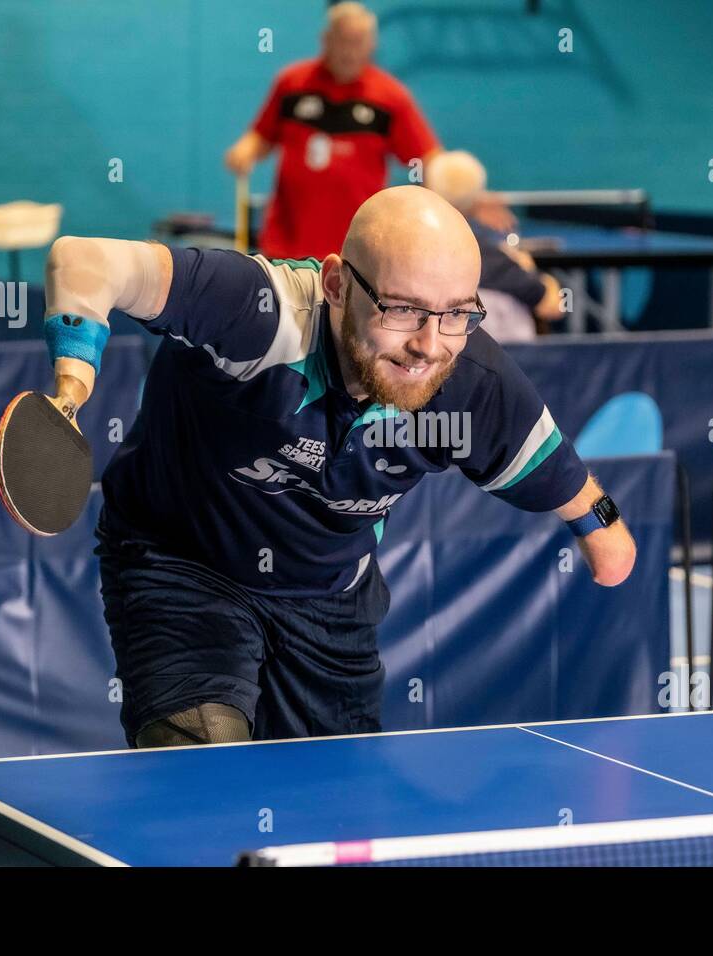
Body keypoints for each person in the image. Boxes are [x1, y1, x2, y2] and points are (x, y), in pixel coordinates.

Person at [40, 185, 636, 748]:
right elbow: (84, 260)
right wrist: (74, 381)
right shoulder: (258, 312)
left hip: (330, 600)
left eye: (457, 313)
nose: (429, 345)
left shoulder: (471, 383)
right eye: (403, 309)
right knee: (204, 774)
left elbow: (582, 501)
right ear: (336, 284)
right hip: (183, 568)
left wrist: (603, 532)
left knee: (329, 800)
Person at [224, 2, 441, 260]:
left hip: (354, 252)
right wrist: (245, 150)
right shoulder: (292, 83)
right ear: (326, 40)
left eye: (358, 42)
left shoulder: (391, 97)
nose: (349, 52)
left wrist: (444, 198)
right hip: (284, 248)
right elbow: (261, 136)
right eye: (343, 41)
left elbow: (429, 160)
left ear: (371, 45)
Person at [425, 150, 565, 342]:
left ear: (428, 188)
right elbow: (553, 306)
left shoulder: (413, 250)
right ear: (478, 197)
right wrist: (530, 270)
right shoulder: (490, 258)